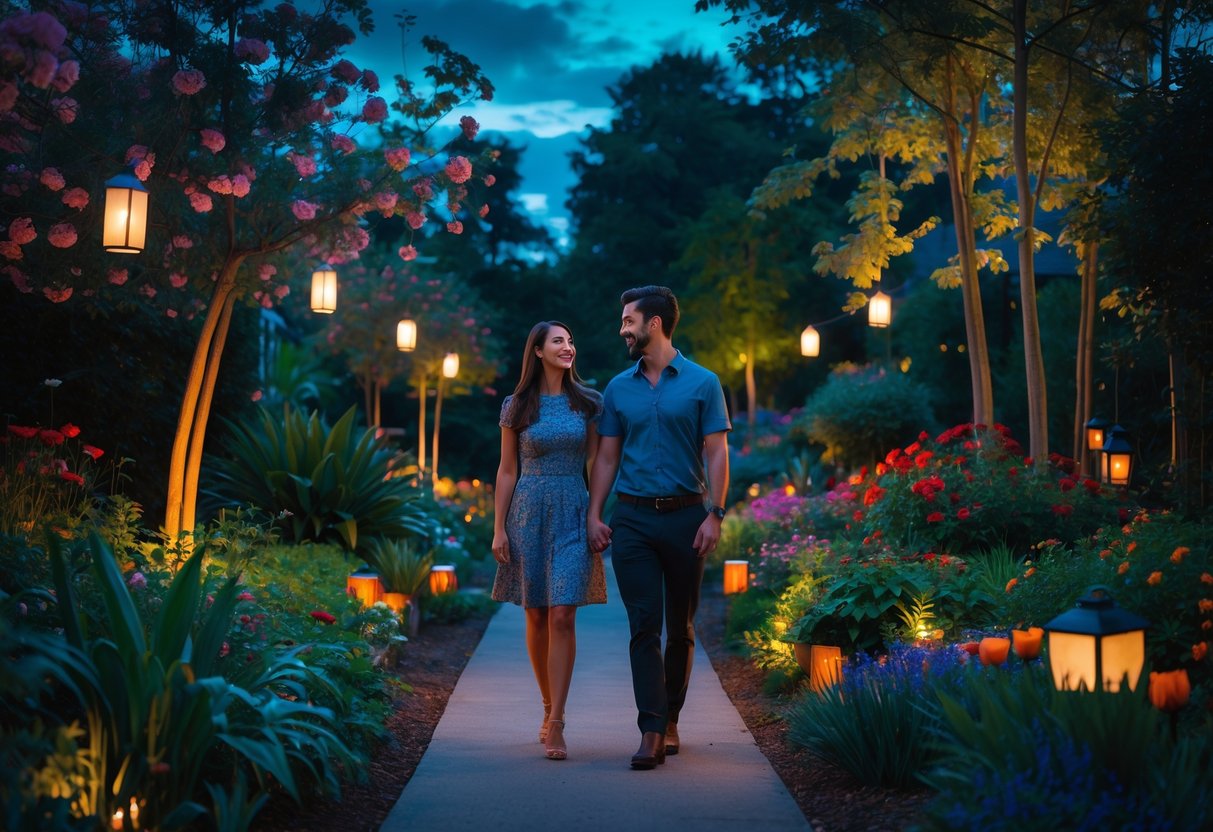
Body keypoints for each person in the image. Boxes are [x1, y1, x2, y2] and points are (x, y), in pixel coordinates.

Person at [587, 285, 731, 770]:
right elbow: (606, 456)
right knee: (643, 624)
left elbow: (716, 450)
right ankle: (650, 729)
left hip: (688, 517)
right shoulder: (617, 387)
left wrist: (716, 512)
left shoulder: (703, 382)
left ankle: (671, 717)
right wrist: (595, 513)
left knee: (682, 626)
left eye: (629, 320)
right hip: (632, 519)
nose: (622, 328)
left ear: (654, 323)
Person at [491, 320, 607, 761]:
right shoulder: (516, 405)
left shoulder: (588, 403)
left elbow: (598, 461)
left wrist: (596, 514)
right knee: (537, 614)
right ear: (537, 350)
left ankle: (557, 719)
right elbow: (506, 471)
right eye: (558, 340)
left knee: (563, 615)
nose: (568, 346)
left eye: (571, 340)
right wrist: (499, 527)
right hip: (527, 513)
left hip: (574, 512)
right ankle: (545, 704)